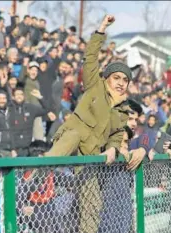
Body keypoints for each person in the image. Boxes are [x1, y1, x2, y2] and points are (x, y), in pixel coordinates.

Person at [46, 15, 131, 163]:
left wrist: (112, 148)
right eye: (116, 77)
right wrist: (102, 29)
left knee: (91, 186)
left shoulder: (123, 110)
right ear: (107, 77)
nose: (121, 83)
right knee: (48, 166)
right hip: (70, 142)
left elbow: (116, 136)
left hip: (91, 155)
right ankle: (30, 180)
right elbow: (90, 57)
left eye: (125, 80)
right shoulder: (95, 85)